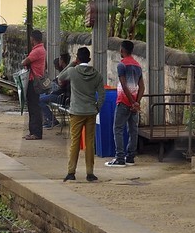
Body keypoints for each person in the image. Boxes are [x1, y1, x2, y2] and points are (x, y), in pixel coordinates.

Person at [57, 46, 104, 181]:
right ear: (89, 59)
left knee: (75, 142)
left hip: (76, 111)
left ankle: (71, 172)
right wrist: (97, 108)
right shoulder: (97, 75)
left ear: (78, 58)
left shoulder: (72, 71)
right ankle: (90, 173)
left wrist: (72, 63)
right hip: (90, 112)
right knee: (90, 142)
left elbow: (60, 77)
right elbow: (102, 94)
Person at [105, 40, 143, 167]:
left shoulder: (122, 65)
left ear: (122, 50)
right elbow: (142, 87)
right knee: (133, 129)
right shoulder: (138, 65)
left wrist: (131, 102)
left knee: (118, 129)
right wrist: (137, 102)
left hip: (123, 101)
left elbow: (123, 84)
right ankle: (130, 157)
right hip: (134, 104)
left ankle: (120, 157)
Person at [22, 31, 47, 139]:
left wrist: (24, 61)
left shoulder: (37, 51)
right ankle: (33, 131)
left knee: (34, 107)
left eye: (31, 38)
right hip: (35, 80)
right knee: (33, 107)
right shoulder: (41, 49)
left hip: (34, 81)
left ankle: (36, 133)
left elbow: (24, 62)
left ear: (33, 39)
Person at [39, 53, 71, 130]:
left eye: (60, 59)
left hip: (63, 97)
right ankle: (47, 120)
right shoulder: (66, 70)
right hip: (61, 95)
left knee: (39, 100)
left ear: (62, 61)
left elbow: (61, 84)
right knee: (41, 96)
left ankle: (52, 120)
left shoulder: (67, 72)